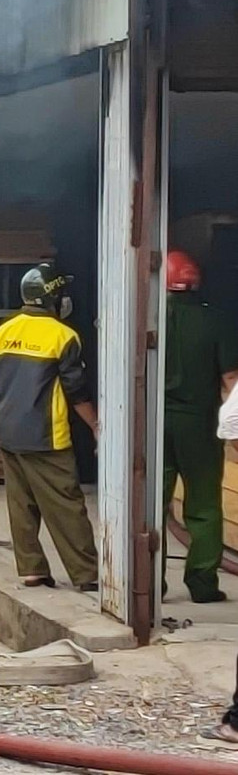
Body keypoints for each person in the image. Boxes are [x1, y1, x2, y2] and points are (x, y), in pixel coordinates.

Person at [0, 262, 100, 592]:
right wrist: (96, 425)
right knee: (65, 503)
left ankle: (32, 570)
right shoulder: (63, 336)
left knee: (20, 503)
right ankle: (87, 573)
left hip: (8, 430)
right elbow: (75, 389)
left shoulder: (1, 333)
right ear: (52, 297)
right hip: (45, 435)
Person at [163, 250, 238, 604]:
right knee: (204, 506)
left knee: (150, 505)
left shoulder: (145, 315)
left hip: (153, 425)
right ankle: (203, 585)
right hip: (200, 424)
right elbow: (230, 380)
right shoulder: (217, 320)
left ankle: (148, 584)